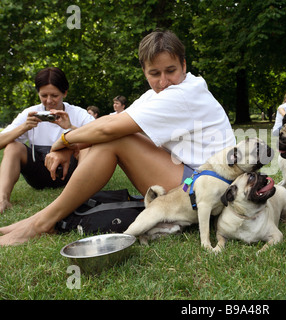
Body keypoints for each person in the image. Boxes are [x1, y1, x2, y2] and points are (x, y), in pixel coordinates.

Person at [0, 29, 235, 246]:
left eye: (170, 71)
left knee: (115, 138)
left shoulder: (184, 93)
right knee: (112, 135)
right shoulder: (156, 95)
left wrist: (62, 142)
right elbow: (109, 121)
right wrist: (70, 145)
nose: (163, 82)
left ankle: (41, 223)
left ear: (183, 65)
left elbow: (108, 129)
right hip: (196, 183)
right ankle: (42, 218)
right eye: (154, 73)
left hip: (207, 192)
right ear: (144, 71)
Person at [0, 67, 94, 213]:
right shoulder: (30, 113)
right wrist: (24, 127)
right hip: (38, 174)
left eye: (54, 95)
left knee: (87, 147)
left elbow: (98, 137)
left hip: (71, 174)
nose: (49, 101)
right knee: (13, 146)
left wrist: (70, 127)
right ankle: (2, 199)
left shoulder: (77, 113)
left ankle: (82, 195)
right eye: (44, 95)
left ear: (65, 93)